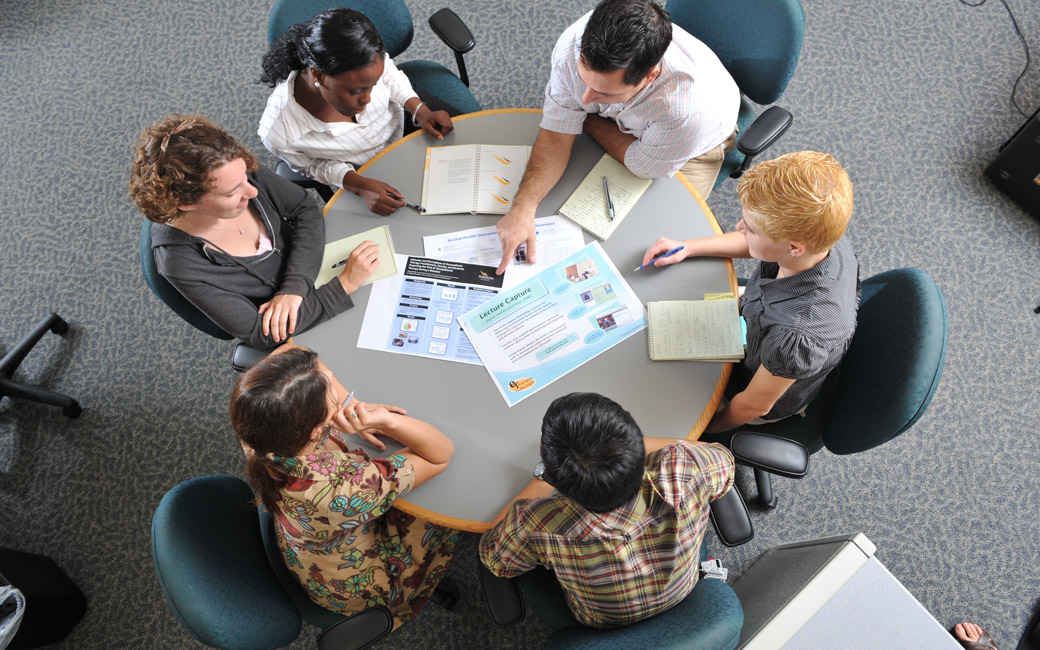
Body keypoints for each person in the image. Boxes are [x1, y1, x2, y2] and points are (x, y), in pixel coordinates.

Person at [494, 0, 739, 274]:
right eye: (583, 80)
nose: (585, 98)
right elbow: (555, 135)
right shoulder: (572, 46)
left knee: (649, 241)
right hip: (626, 122)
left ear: (649, 76)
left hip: (693, 147)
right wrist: (523, 208)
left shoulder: (688, 113)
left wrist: (584, 117)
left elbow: (642, 166)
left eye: (604, 93)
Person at [230, 344, 459, 626]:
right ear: (315, 429)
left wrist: (350, 406)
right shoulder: (346, 489)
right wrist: (386, 422)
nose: (331, 378)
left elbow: (293, 349)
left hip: (314, 542)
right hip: (360, 581)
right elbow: (439, 455)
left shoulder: (259, 425)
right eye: (332, 395)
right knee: (442, 511)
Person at [641, 151, 859, 434]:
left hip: (754, 387)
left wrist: (704, 433)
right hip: (757, 327)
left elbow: (753, 406)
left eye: (751, 229)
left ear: (794, 247)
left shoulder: (797, 338)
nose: (739, 227)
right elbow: (763, 243)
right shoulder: (821, 234)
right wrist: (688, 247)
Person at [479, 392, 735, 629]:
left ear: (558, 482)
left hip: (601, 621)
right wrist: (627, 445)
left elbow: (494, 558)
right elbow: (723, 461)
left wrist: (541, 478)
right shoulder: (688, 467)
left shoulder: (540, 522)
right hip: (682, 587)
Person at [130, 114, 379, 348]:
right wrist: (344, 285)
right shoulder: (180, 264)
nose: (252, 192)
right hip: (305, 319)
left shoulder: (232, 170)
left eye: (246, 178)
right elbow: (260, 332)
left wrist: (293, 287)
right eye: (232, 193)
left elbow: (304, 209)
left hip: (314, 263)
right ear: (186, 204)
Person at [259, 8, 454, 216]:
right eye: (356, 91)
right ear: (318, 75)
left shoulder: (365, 59)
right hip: (369, 171)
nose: (367, 99)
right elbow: (314, 165)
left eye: (372, 85)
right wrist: (360, 186)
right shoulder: (278, 133)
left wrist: (419, 109)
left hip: (408, 118)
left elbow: (388, 73)